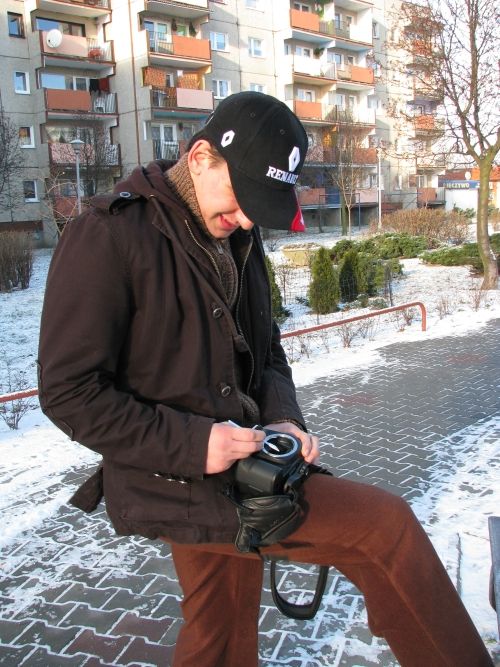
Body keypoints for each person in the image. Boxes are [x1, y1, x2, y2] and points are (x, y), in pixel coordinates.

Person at [38, 92, 493, 667]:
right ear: (200, 157)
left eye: (260, 204)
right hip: (177, 480)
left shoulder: (237, 234)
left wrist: (282, 417)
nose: (248, 219)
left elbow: (267, 347)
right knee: (386, 531)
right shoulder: (109, 234)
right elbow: (69, 391)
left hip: (247, 471)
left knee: (219, 635)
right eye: (243, 197)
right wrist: (194, 444)